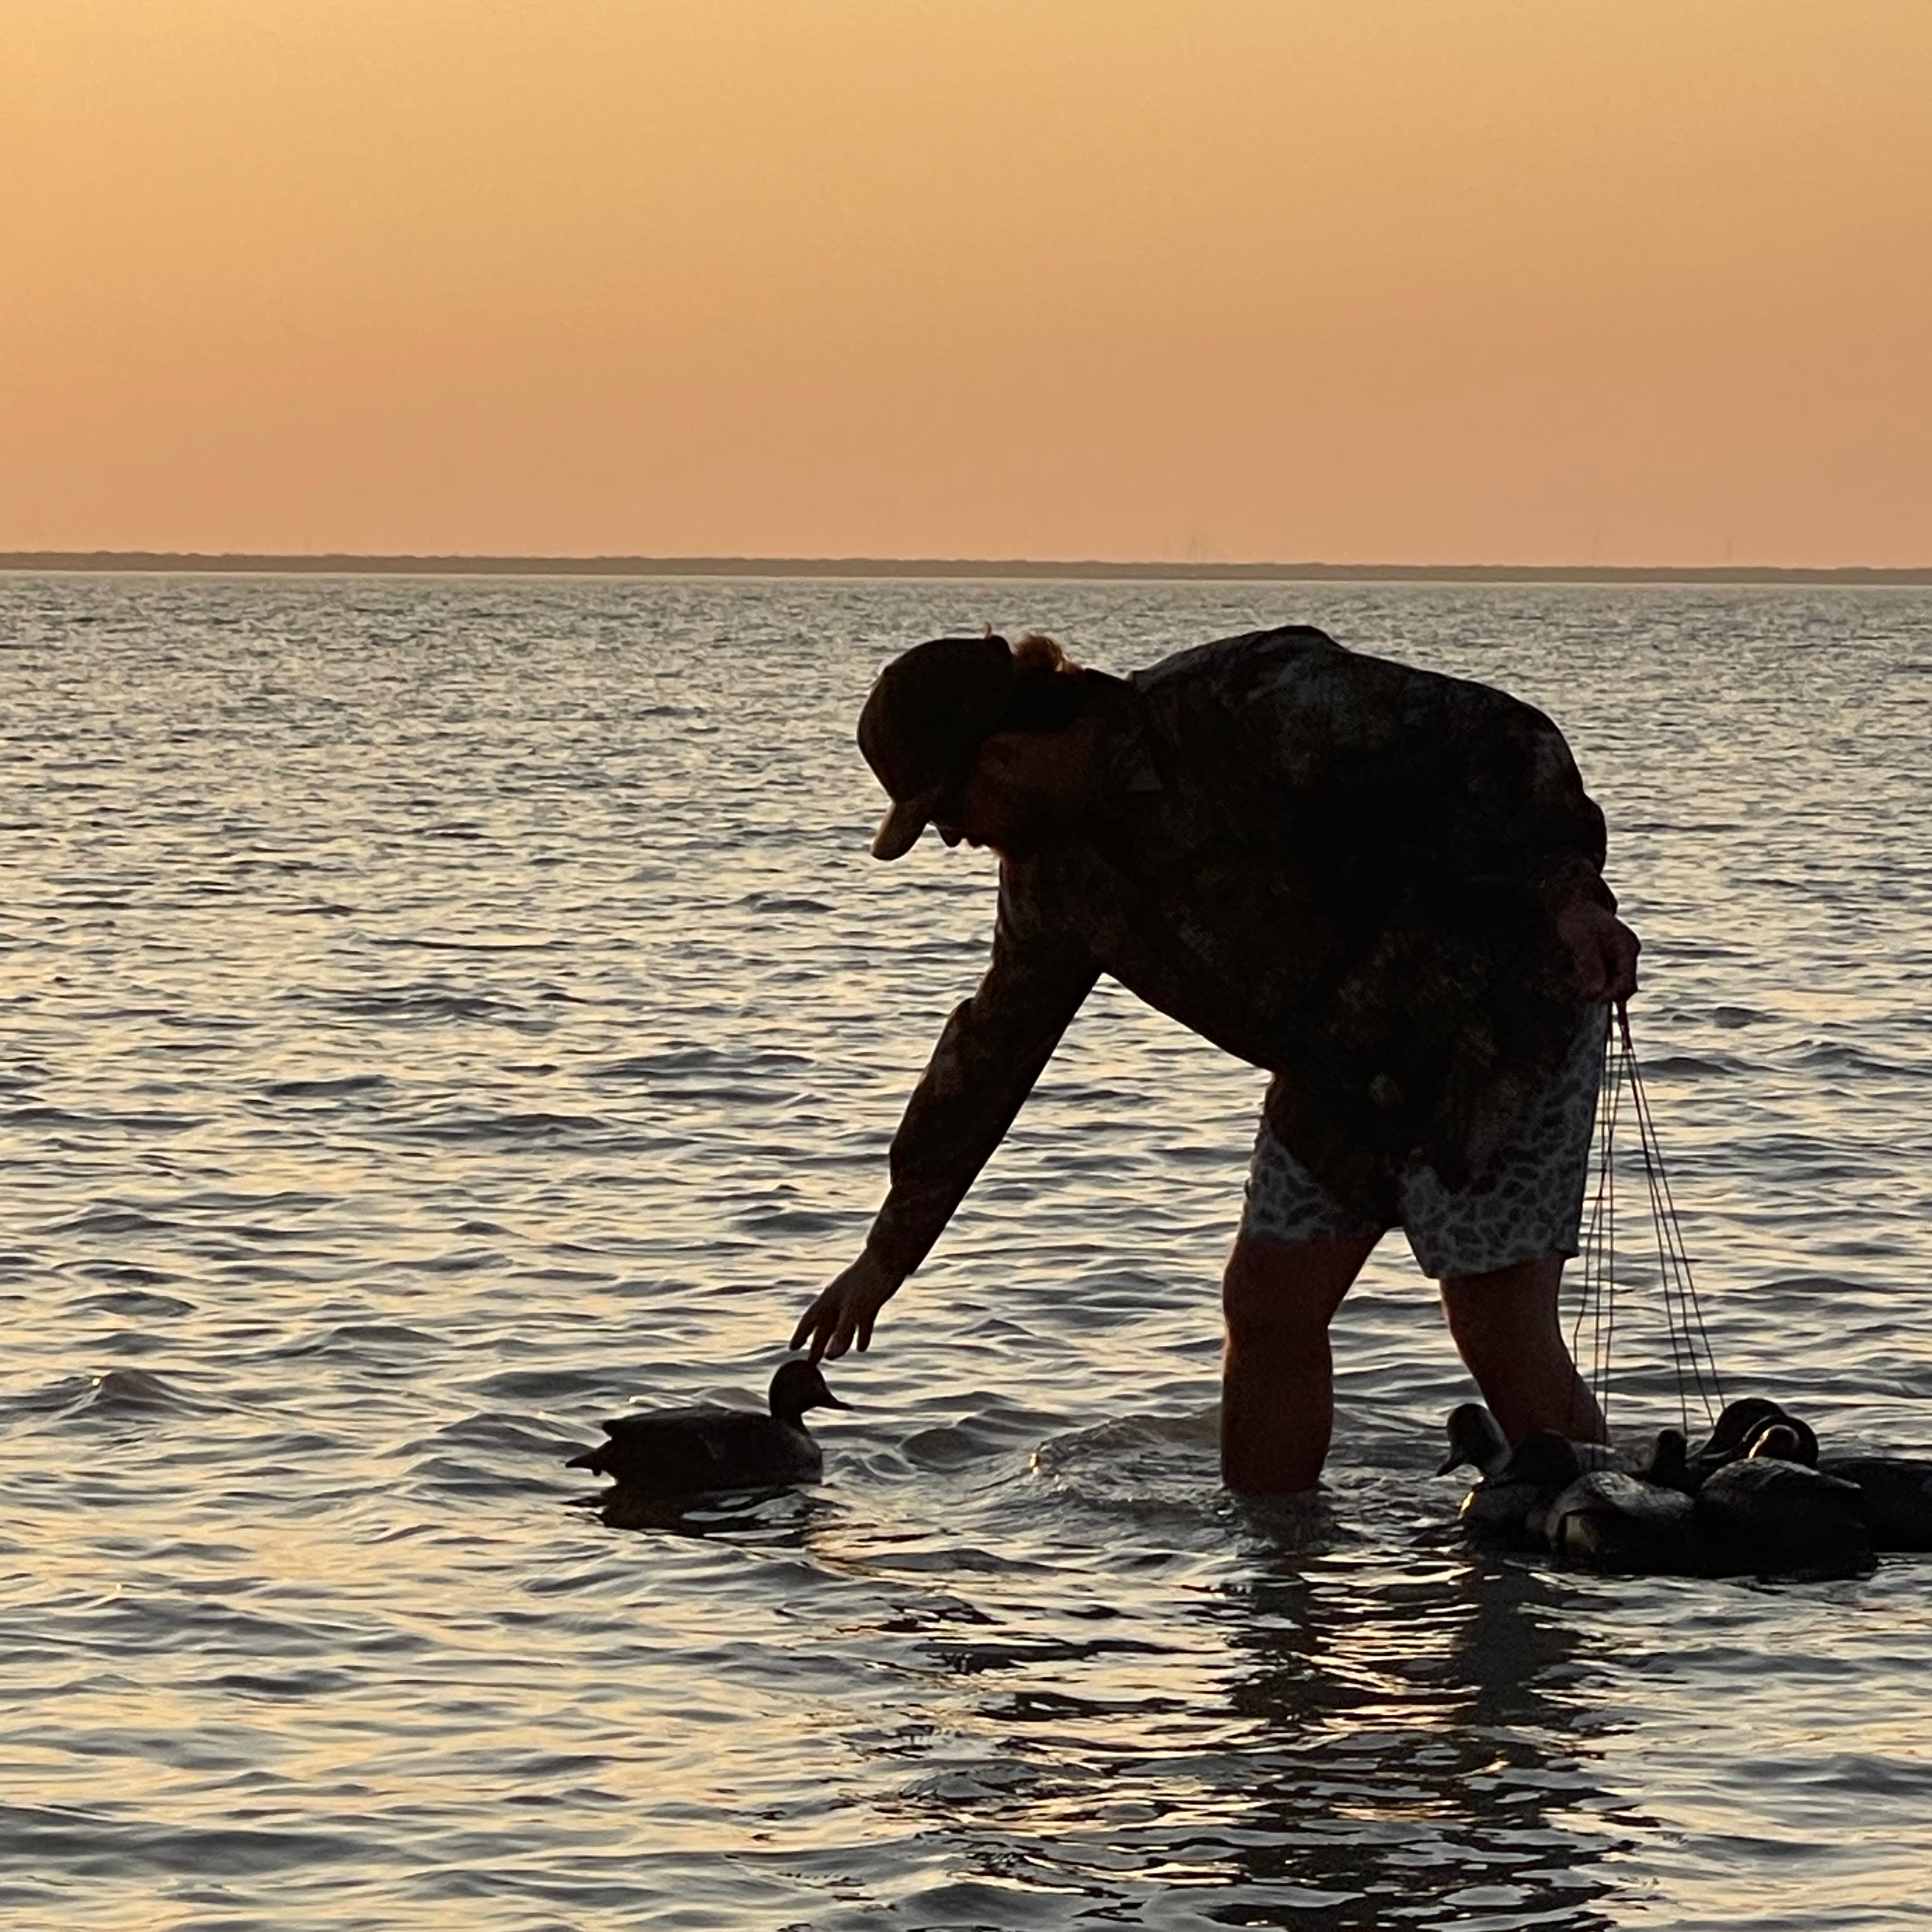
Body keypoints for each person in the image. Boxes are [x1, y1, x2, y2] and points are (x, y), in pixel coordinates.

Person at [790, 624, 1641, 1492]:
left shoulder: (1245, 702)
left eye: (949, 812)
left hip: (1495, 1018)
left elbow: (1502, 742)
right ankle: (1276, 1583)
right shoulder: (1054, 883)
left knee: (1496, 1325)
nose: (955, 839)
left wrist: (1571, 898)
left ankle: (1604, 1534)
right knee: (1268, 1308)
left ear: (1004, 756)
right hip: (1338, 1072)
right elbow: (990, 1054)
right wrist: (887, 1254)